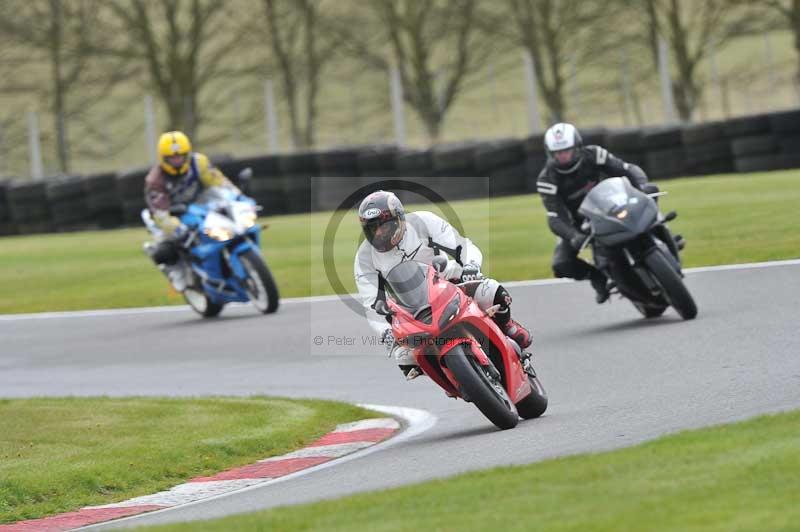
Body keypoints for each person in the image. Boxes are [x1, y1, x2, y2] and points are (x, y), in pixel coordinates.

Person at [354, 190, 532, 380]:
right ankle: (452, 377)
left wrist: (471, 266)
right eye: (373, 228)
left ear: (399, 218)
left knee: (491, 290)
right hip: (411, 309)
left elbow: (462, 246)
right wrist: (385, 331)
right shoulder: (364, 258)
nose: (379, 233)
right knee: (404, 357)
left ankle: (507, 327)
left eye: (384, 226)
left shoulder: (423, 222)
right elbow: (370, 302)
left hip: (448, 280)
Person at [536, 122, 658, 303]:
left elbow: (627, 169)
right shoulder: (547, 179)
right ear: (550, 153)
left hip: (615, 204)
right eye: (557, 153)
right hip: (582, 223)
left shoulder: (594, 155)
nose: (562, 156)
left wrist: (641, 186)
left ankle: (659, 229)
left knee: (652, 190)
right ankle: (597, 277)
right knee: (561, 264)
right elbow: (554, 216)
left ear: (577, 146)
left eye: (566, 150)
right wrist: (573, 235)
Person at [143, 130, 242, 291]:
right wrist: (175, 228)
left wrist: (237, 196)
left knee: (229, 222)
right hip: (173, 213)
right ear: (163, 158)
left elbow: (219, 182)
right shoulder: (155, 180)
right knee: (166, 249)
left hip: (202, 205)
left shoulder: (199, 162)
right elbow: (160, 214)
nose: (177, 160)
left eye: (180, 156)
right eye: (172, 158)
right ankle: (176, 269)